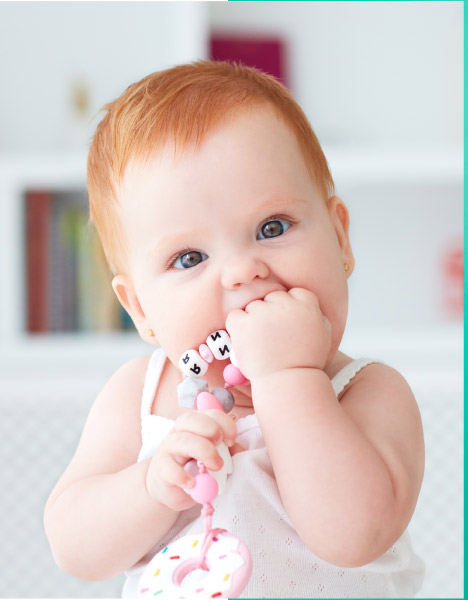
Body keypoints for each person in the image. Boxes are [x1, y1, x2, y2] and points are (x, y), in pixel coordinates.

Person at [44, 61, 425, 598]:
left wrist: (287, 376)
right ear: (140, 311)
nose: (243, 271)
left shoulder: (368, 390)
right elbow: (73, 547)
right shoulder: (141, 394)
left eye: (272, 228)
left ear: (340, 240)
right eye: (189, 257)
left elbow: (354, 535)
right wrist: (151, 487)